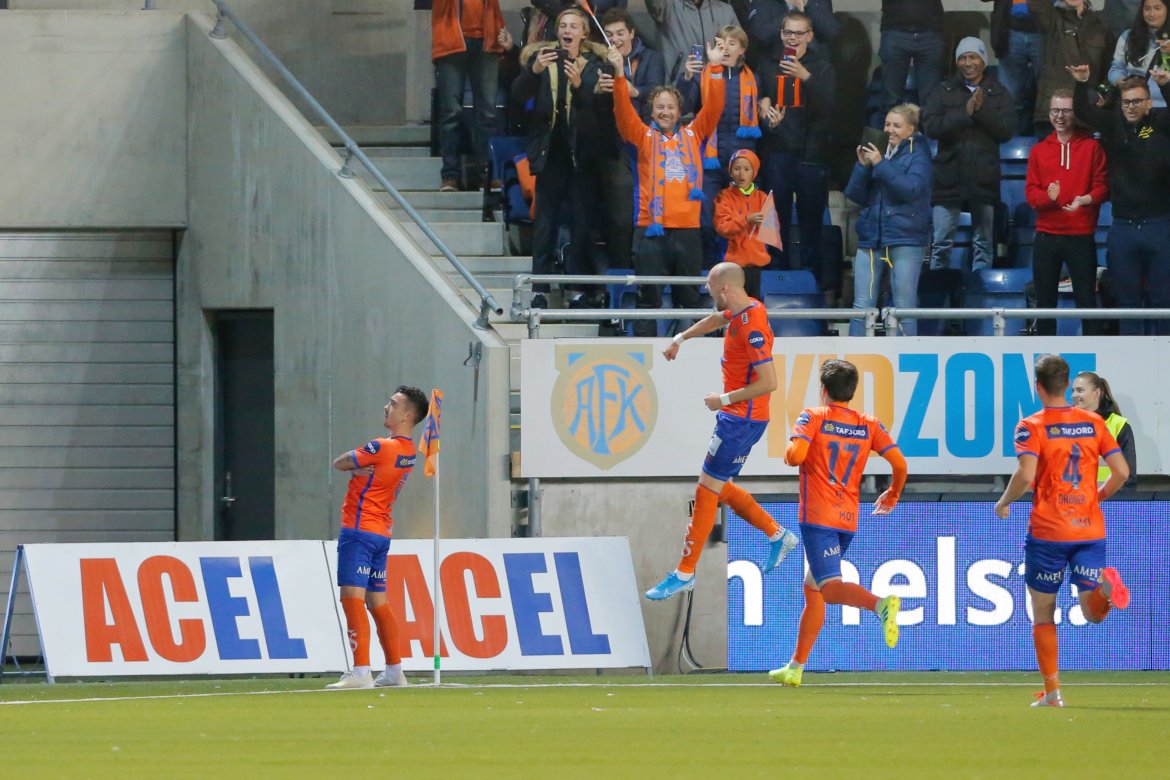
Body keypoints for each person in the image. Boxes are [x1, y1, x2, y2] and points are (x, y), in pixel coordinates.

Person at [644, 262, 800, 601]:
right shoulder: (745, 308)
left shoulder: (752, 326)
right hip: (737, 418)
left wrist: (723, 400)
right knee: (717, 485)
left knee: (706, 489)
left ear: (725, 288)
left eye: (711, 288)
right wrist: (681, 338)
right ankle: (777, 535)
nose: (709, 292)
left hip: (741, 419)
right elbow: (717, 319)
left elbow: (769, 382)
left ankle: (684, 572)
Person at [994, 355, 1131, 708]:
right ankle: (1104, 589)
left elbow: (1026, 475)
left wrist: (1004, 501)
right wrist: (1097, 496)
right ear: (1067, 385)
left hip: (1049, 532)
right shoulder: (1094, 422)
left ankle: (1053, 693)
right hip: (1089, 528)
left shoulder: (1031, 425)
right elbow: (1121, 472)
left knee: (1043, 612)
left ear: (1038, 387)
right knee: (1092, 613)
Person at [768, 359, 908, 687]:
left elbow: (796, 456)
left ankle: (881, 605)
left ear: (823, 389)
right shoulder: (868, 423)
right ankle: (795, 667)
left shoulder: (814, 416)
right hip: (847, 518)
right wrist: (893, 494)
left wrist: (789, 450)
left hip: (818, 516)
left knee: (829, 590)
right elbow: (900, 465)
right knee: (813, 588)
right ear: (852, 391)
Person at [607, 41, 726, 335]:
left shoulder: (694, 134)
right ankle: (646, 350)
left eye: (670, 107)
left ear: (679, 110)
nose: (665, 112)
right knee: (648, 299)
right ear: (651, 111)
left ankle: (696, 350)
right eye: (659, 107)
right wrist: (619, 74)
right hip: (650, 230)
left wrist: (715, 68)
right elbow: (623, 113)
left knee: (690, 299)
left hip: (688, 230)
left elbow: (714, 108)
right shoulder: (642, 136)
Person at [326, 386, 429, 690]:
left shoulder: (382, 447)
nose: (386, 407)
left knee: (351, 598)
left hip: (359, 529)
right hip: (381, 532)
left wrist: (359, 467)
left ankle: (361, 672)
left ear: (408, 415)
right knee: (378, 602)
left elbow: (340, 462)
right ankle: (395, 671)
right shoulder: (409, 452)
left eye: (394, 404)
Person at [513, 8, 610, 309]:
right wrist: (534, 72)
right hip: (550, 150)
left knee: (581, 223)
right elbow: (518, 95)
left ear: (584, 33)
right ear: (557, 31)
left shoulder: (594, 64)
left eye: (574, 26)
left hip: (581, 152)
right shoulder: (542, 58)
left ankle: (576, 288)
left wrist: (579, 86)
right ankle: (540, 289)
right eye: (563, 26)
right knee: (545, 222)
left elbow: (595, 110)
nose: (568, 31)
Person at [1070, 65, 1170, 335]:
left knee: (1164, 301)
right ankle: (1132, 356)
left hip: (1160, 225)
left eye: (1137, 101)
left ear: (1149, 102)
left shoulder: (1161, 123)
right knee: (1127, 303)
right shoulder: (1113, 125)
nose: (1131, 107)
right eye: (1126, 102)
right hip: (1123, 227)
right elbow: (1083, 111)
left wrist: (1166, 86)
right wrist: (1082, 83)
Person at [756, 12, 839, 299]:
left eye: (799, 33)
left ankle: (811, 283)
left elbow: (830, 108)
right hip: (777, 151)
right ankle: (776, 279)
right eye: (788, 32)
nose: (793, 38)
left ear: (810, 36)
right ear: (781, 34)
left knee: (811, 223)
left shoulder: (822, 67)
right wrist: (764, 110)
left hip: (811, 155)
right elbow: (758, 101)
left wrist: (806, 77)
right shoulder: (768, 64)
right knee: (774, 221)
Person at [923, 37, 1016, 274]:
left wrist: (980, 111)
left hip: (983, 179)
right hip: (948, 179)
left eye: (973, 57)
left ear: (983, 60)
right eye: (963, 58)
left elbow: (1006, 130)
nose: (967, 63)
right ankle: (940, 292)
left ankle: (978, 293)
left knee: (983, 244)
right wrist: (964, 114)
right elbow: (930, 126)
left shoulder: (998, 92)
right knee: (941, 244)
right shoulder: (943, 90)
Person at [1025, 89, 1109, 336]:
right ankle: (1045, 354)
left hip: (1081, 236)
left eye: (1066, 111)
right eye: (1055, 110)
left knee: (1087, 302)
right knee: (1044, 304)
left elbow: (1102, 187)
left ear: (1075, 113)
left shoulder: (1092, 147)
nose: (1059, 116)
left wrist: (1085, 199)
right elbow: (1032, 194)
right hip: (1046, 237)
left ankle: (1093, 352)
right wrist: (1049, 198)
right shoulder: (1039, 150)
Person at [677, 25, 762, 269]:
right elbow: (683, 108)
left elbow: (762, 117)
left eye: (731, 44)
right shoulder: (701, 75)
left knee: (742, 220)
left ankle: (738, 272)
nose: (724, 49)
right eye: (720, 44)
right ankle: (708, 270)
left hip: (742, 161)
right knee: (706, 219)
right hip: (709, 160)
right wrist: (686, 77)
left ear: (742, 50)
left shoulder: (755, 79)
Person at [846, 103, 932, 336]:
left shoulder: (919, 153)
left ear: (911, 129)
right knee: (862, 307)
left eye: (897, 125)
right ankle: (856, 355)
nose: (890, 130)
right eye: (887, 124)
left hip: (905, 237)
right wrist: (862, 166)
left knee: (904, 308)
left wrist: (880, 164)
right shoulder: (879, 151)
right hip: (871, 237)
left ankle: (906, 356)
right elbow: (854, 195)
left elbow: (911, 189)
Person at [432, 0, 506, 192]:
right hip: (451, 39)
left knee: (488, 113)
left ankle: (488, 175)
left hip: (487, 38)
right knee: (451, 113)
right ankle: (450, 175)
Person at [1027, 0, 1110, 136]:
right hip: (1052, 115)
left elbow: (1110, 67)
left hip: (1086, 115)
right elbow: (1036, 4)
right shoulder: (1051, 17)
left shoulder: (1100, 24)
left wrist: (1103, 93)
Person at [714, 149, 770, 298]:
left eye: (746, 169)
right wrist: (746, 220)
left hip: (756, 263)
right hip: (733, 265)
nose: (741, 174)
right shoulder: (723, 197)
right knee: (734, 303)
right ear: (730, 172)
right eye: (737, 169)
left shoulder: (763, 197)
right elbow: (722, 227)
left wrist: (767, 224)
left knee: (753, 305)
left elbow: (772, 230)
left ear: (754, 173)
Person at [983, 0, 1044, 137]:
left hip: (1045, 31)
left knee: (1048, 93)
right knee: (1009, 95)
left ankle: (1047, 142)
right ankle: (1010, 140)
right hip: (1010, 31)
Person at [1072, 371, 1138, 489]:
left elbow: (1128, 477)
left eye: (1080, 390)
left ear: (1096, 393)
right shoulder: (1064, 424)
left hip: (1109, 499)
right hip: (1071, 498)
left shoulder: (1119, 425)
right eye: (1073, 391)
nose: (1074, 395)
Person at [646, 0, 740, 81]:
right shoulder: (667, 6)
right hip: (680, 86)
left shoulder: (725, 11)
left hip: (717, 85)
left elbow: (739, 50)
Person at [877, 0, 945, 112]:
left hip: (930, 32)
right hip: (894, 30)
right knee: (891, 102)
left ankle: (928, 124)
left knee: (931, 102)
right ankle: (890, 124)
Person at [1108, 0, 1170, 109]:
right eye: (1147, 9)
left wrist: (1168, 55)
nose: (1152, 14)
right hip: (1132, 106)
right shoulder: (1128, 36)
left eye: (1157, 8)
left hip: (1164, 107)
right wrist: (1121, 81)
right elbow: (1116, 68)